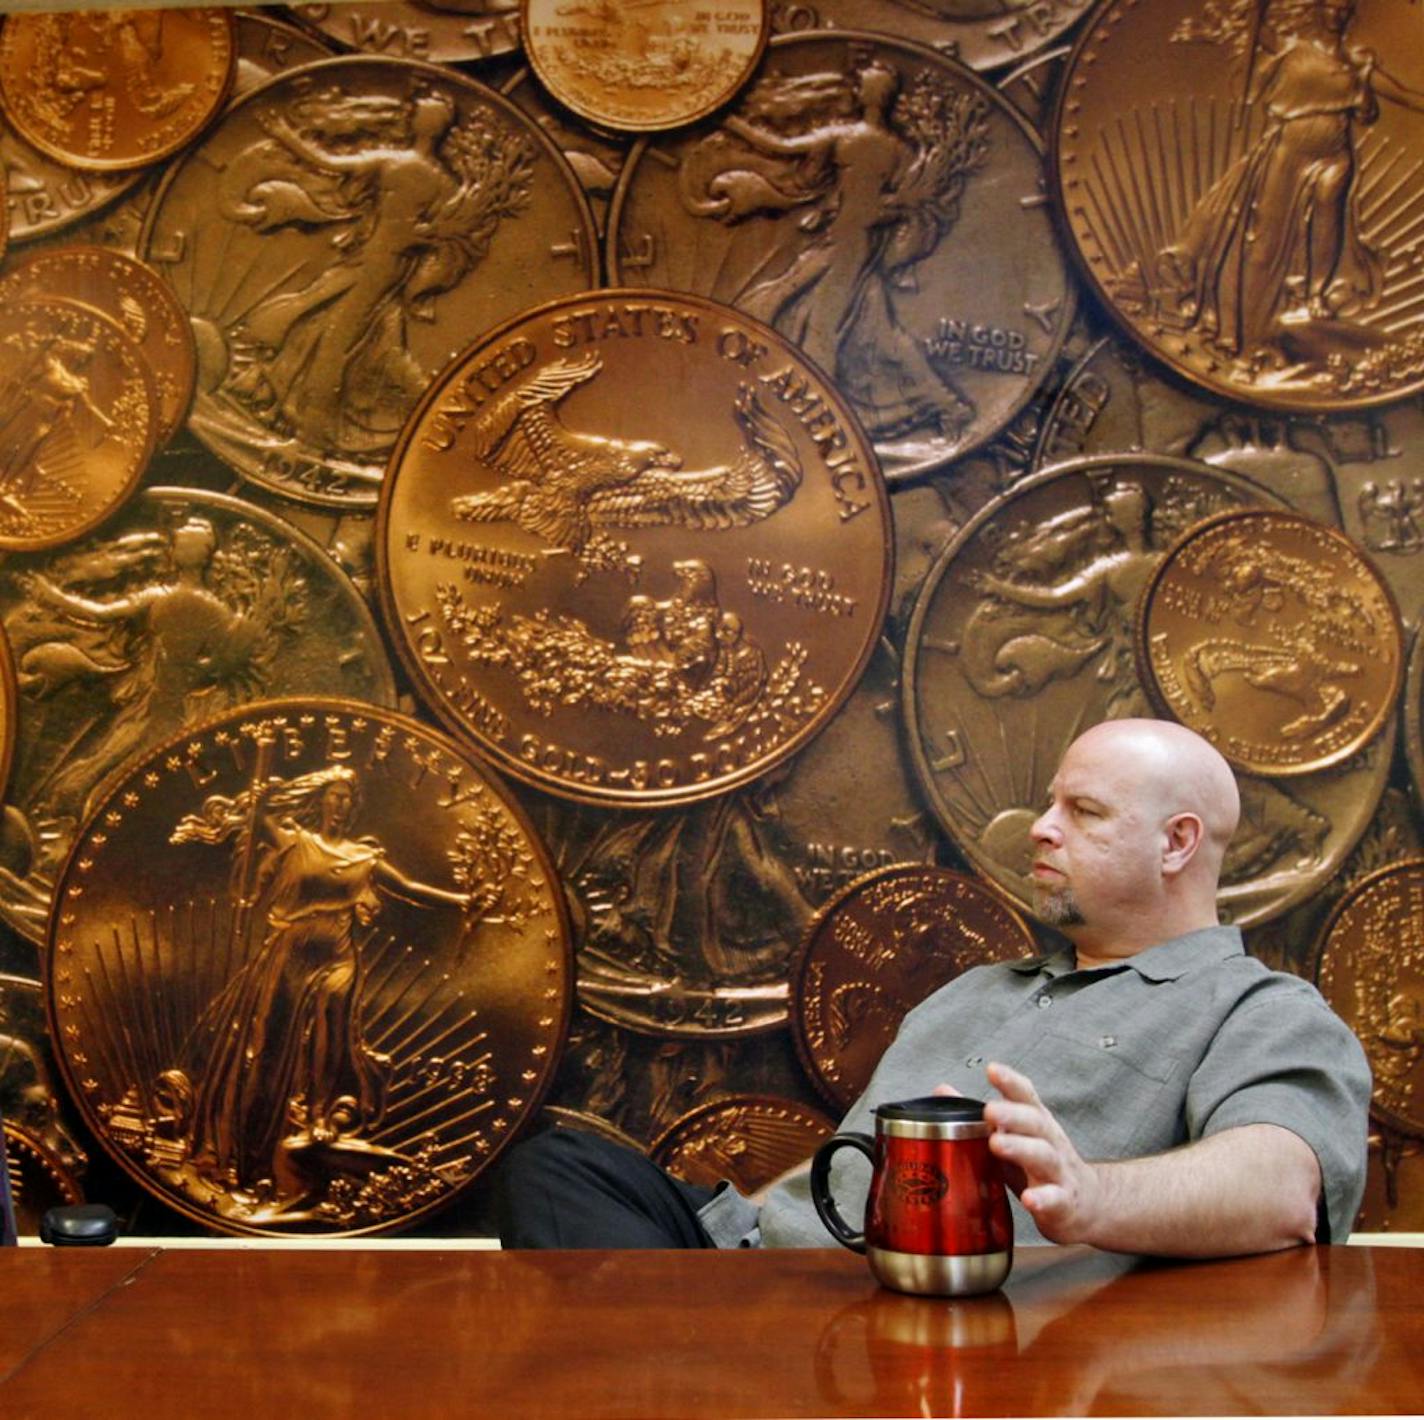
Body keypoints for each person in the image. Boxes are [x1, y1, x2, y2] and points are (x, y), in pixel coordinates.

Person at [496, 718, 1371, 1255]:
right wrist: (766, 1217)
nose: (1041, 827)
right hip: (754, 1257)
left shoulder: (1259, 1010)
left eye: (1084, 813)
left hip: (916, 1300)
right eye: (1051, 804)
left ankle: (706, 1365)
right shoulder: (978, 988)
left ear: (1177, 844)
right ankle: (709, 1355)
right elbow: (845, 1167)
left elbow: (1282, 1189)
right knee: (555, 1166)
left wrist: (1091, 1195)